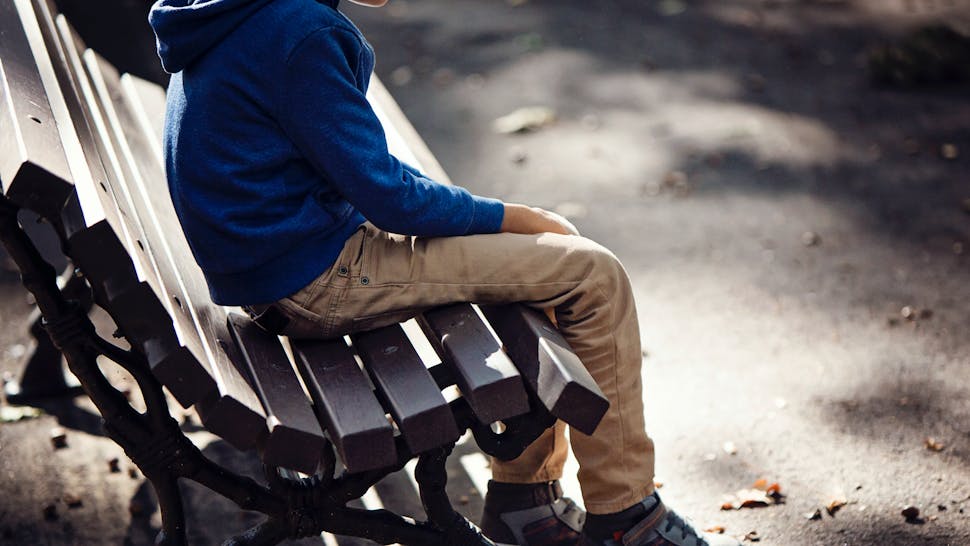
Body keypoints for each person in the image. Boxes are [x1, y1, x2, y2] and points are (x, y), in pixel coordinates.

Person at [148, 1, 740, 545]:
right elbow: (391, 198)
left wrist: (492, 223)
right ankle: (624, 519)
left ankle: (524, 499)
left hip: (279, 267)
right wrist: (511, 216)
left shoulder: (244, 10)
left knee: (534, 266)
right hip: (320, 278)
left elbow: (354, 162)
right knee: (591, 274)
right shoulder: (300, 30)